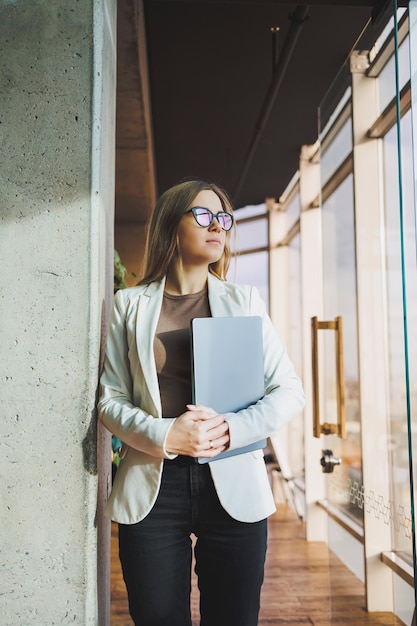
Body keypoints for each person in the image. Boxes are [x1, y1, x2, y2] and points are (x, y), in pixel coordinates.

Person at [98, 179, 305, 626]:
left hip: (233, 482)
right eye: (205, 215)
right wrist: (166, 433)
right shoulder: (127, 306)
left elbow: (289, 391)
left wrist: (230, 429)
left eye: (224, 219)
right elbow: (110, 399)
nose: (219, 227)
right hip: (154, 485)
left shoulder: (244, 300)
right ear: (173, 224)